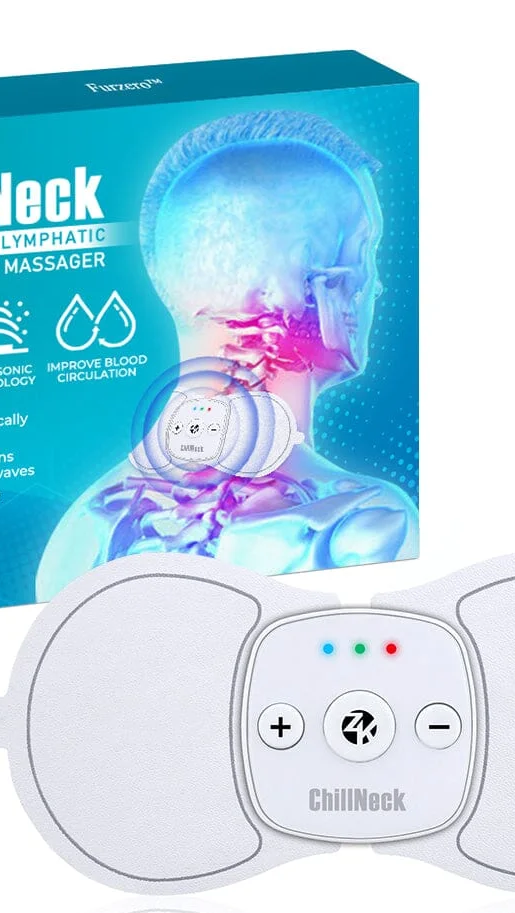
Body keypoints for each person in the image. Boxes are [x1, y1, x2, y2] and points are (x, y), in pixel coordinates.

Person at [36, 111, 418, 599]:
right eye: (364, 254)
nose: (376, 286)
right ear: (296, 281)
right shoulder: (362, 527)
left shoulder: (79, 537)